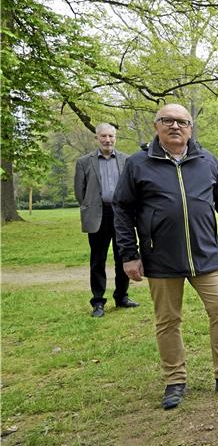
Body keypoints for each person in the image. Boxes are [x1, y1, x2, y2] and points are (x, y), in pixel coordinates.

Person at [113, 104, 218, 409]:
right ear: (157, 126)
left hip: (207, 255)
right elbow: (122, 211)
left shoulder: (207, 161)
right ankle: (175, 381)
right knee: (167, 321)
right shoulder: (138, 164)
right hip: (160, 258)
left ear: (191, 128)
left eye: (182, 122)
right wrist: (129, 254)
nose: (175, 126)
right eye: (168, 121)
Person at [74, 123, 139, 317]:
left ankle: (122, 297)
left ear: (115, 138)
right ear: (97, 138)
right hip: (97, 215)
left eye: (111, 136)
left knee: (123, 257)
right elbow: (80, 192)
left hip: (121, 215)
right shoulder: (84, 162)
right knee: (98, 260)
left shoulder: (127, 160)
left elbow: (132, 189)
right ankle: (98, 302)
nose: (107, 140)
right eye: (103, 136)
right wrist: (91, 204)